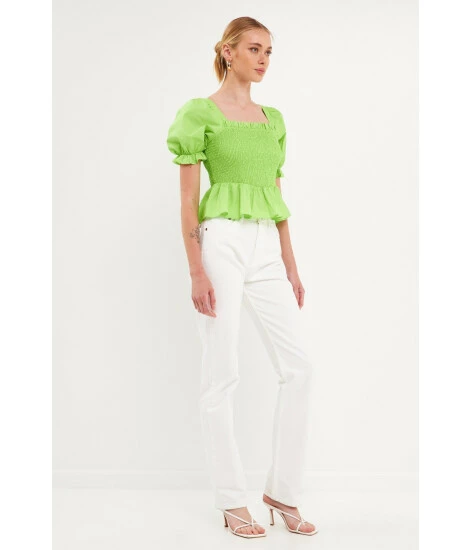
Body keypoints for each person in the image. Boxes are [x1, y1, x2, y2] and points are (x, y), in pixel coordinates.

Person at [166, 16, 317, 538]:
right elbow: (188, 199)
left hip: (266, 246)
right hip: (221, 242)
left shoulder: (273, 120)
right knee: (222, 372)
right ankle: (232, 500)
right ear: (227, 52)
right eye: (254, 49)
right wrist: (196, 269)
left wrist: (290, 262)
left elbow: (276, 194)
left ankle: (282, 492)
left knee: (300, 368)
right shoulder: (199, 113)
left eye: (269, 51)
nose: (263, 59)